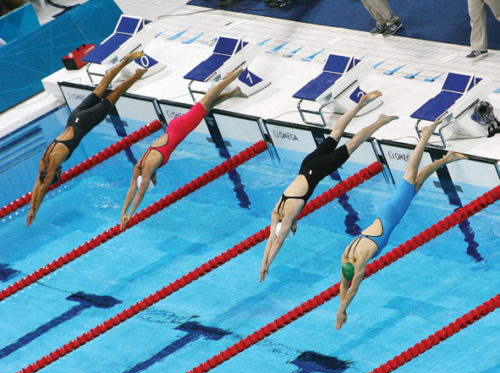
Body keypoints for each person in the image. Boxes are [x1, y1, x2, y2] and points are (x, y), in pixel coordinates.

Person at [336, 120, 468, 330]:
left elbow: (351, 289)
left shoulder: (359, 263)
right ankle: (448, 158)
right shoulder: (345, 256)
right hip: (386, 213)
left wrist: (342, 312)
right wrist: (340, 310)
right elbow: (344, 285)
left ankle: (426, 134)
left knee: (411, 172)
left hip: (393, 213)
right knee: (418, 181)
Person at [259, 91, 398, 283]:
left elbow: (277, 243)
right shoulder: (276, 212)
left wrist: (268, 265)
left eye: (293, 229)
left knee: (353, 144)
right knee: (336, 133)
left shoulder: (289, 215)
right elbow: (270, 239)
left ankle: (380, 121)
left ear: (289, 226)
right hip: (307, 164)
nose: (294, 228)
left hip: (318, 169)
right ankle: (360, 103)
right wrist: (263, 264)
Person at [27, 52, 147, 226]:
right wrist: (31, 210)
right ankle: (126, 60)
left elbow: (42, 189)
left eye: (59, 174)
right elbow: (37, 187)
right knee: (102, 86)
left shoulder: (52, 165)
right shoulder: (43, 160)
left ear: (56, 174)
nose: (61, 172)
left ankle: (138, 74)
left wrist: (35, 211)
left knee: (115, 94)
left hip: (85, 121)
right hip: (74, 117)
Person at [119, 68, 248, 229]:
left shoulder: (148, 168)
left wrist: (130, 215)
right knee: (205, 108)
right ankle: (233, 93)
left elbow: (139, 192)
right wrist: (123, 213)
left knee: (206, 99)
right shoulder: (139, 166)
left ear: (150, 179)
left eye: (154, 181)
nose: (156, 180)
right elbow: (132, 188)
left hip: (182, 127)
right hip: (175, 127)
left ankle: (230, 77)